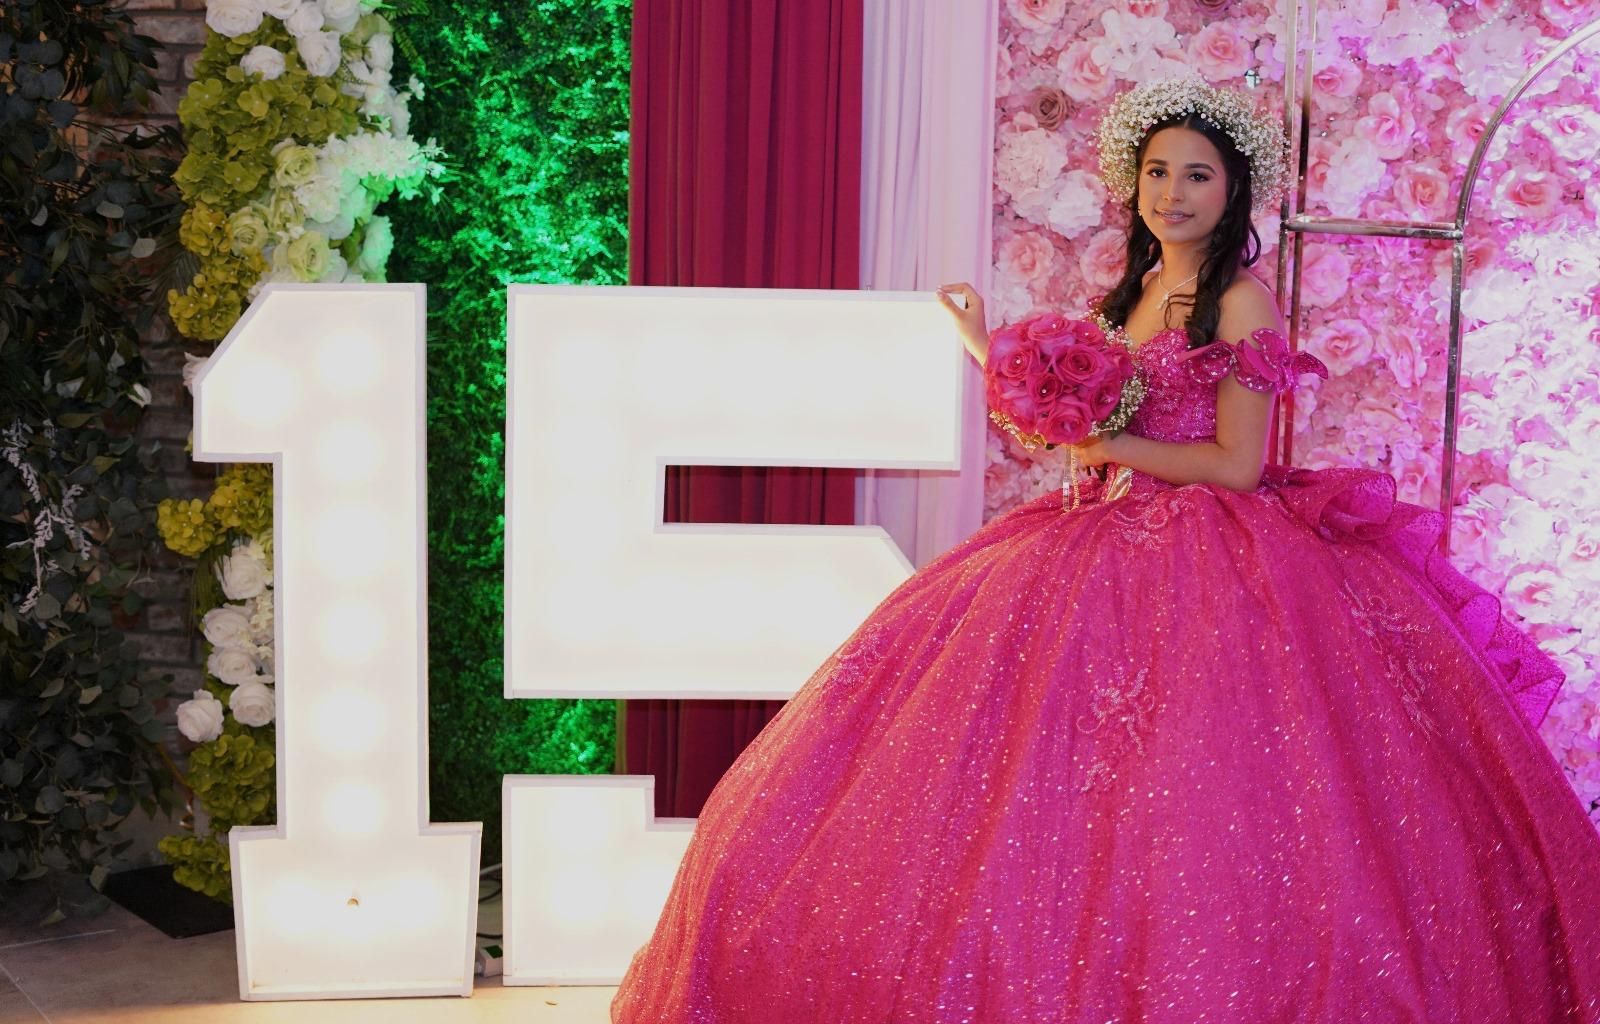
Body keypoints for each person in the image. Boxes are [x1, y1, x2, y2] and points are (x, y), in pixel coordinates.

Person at [610, 77, 1600, 1022]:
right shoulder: (1125, 295)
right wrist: (985, 346)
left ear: (1232, 190)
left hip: (1211, 554)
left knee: (1205, 788)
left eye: (1198, 175)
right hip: (1093, 531)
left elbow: (1238, 464)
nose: (1175, 193)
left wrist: (1104, 443)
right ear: (1133, 183)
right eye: (1160, 172)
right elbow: (1072, 421)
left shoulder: (1240, 303)